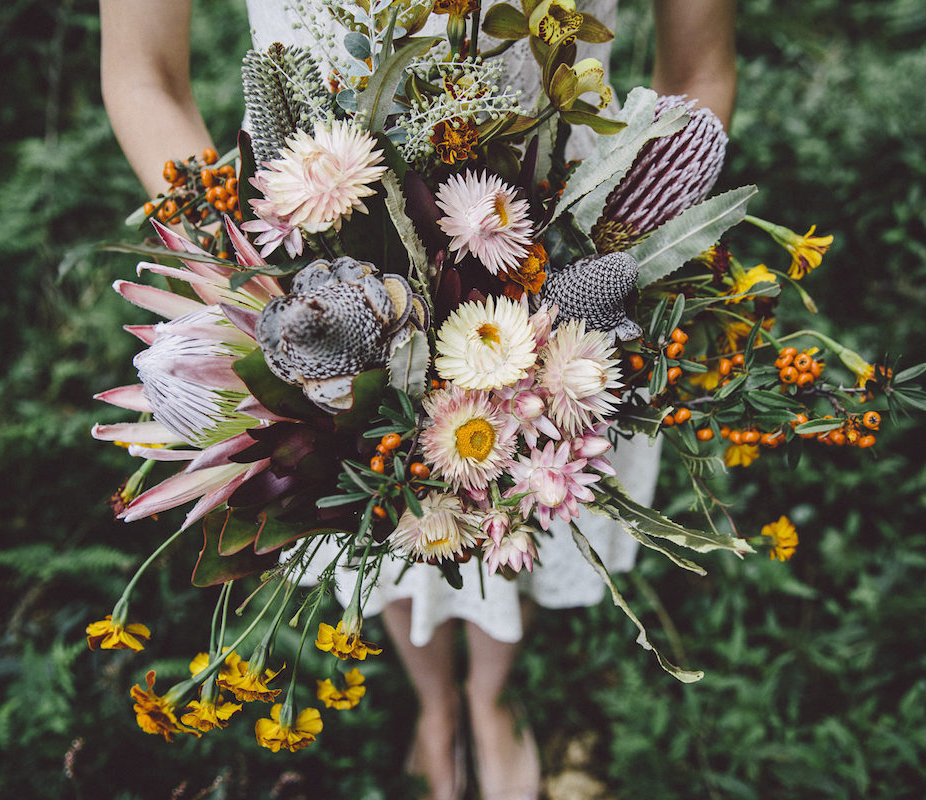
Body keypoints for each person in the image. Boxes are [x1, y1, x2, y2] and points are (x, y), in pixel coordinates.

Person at [100, 2, 736, 798]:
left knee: (525, 476)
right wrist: (257, 288)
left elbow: (700, 71)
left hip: (555, 230)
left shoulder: (588, 247)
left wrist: (628, 249)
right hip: (310, 229)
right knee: (371, 495)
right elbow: (143, 72)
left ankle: (488, 694)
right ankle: (435, 698)